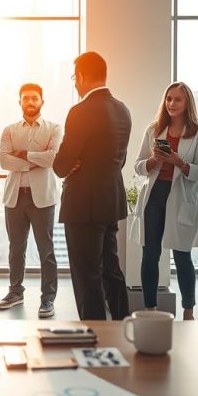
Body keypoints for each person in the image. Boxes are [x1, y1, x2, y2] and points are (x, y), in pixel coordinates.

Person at [52, 51, 131, 321]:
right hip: (111, 200)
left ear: (82, 76)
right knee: (111, 269)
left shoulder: (81, 111)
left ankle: (95, 334)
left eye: (75, 77)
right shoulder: (122, 108)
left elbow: (62, 164)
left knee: (87, 276)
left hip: (84, 204)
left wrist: (71, 164)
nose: (75, 83)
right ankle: (122, 326)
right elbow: (119, 159)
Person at [133, 82, 198, 320]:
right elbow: (138, 166)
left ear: (187, 104)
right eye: (168, 99)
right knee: (150, 253)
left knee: (182, 255)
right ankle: (150, 309)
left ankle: (188, 310)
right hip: (155, 195)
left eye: (177, 99)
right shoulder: (153, 130)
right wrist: (152, 162)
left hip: (181, 196)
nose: (172, 104)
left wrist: (179, 163)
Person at [0, 83, 63, 319]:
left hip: (42, 198)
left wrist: (23, 155)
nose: (30, 102)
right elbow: (4, 161)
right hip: (15, 197)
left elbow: (53, 158)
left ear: (42, 101)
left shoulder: (54, 128)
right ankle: (15, 292)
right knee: (16, 249)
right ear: (20, 102)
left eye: (34, 98)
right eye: (26, 98)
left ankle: (48, 299)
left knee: (46, 250)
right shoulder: (9, 130)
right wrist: (35, 160)